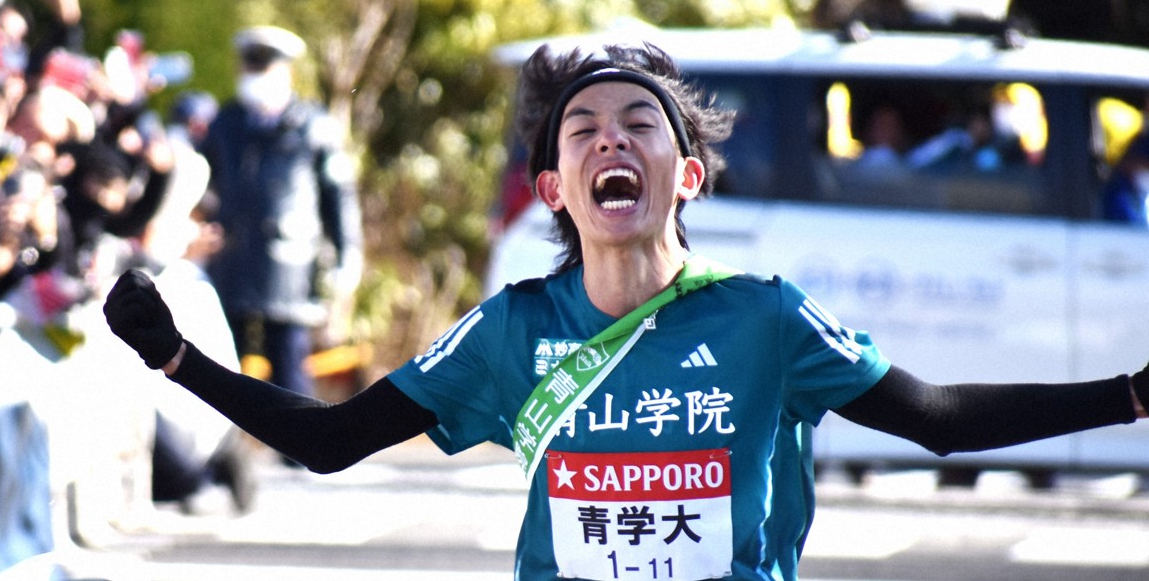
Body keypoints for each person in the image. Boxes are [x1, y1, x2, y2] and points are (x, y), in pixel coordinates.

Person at [104, 43, 1149, 581]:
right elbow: (331, 442)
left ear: (686, 174)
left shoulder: (764, 319)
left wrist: (1135, 395)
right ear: (554, 190)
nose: (611, 139)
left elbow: (938, 418)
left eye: (640, 124)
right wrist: (176, 359)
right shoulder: (512, 330)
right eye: (584, 131)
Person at [199, 25, 363, 400]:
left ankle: (298, 437)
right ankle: (230, 438)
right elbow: (205, 184)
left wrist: (347, 255)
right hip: (233, 260)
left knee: (289, 368)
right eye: (250, 68)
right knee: (221, 366)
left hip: (289, 266)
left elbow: (339, 196)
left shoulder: (314, 125)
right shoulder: (226, 123)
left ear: (285, 72)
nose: (254, 77)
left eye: (264, 69)